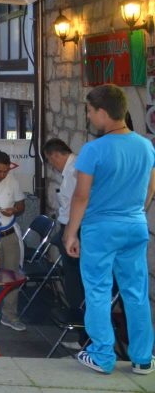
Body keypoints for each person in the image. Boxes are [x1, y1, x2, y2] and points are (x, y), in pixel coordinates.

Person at [62, 84, 155, 375]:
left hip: (100, 230)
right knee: (136, 293)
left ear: (103, 112)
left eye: (90, 111)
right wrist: (135, 212)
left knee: (98, 291)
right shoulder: (146, 146)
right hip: (134, 226)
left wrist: (71, 232)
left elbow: (81, 196)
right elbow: (150, 188)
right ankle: (143, 359)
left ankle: (102, 356)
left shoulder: (93, 150)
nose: (89, 117)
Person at [43, 136, 85, 348]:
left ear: (55, 155)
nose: (53, 166)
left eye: (51, 161)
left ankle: (84, 337)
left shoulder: (76, 169)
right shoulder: (70, 169)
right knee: (72, 281)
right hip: (69, 229)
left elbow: (79, 202)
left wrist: (70, 233)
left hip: (75, 231)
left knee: (77, 284)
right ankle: (81, 336)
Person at [0, 151, 26, 332]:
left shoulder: (12, 180)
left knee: (12, 275)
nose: (2, 175)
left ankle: (10, 315)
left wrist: (14, 210)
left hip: (8, 233)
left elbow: (21, 204)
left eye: (5, 171)